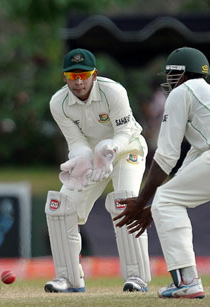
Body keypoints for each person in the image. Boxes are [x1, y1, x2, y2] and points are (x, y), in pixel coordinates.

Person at [44, 48, 150, 293]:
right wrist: (81, 158)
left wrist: (111, 149)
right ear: (64, 78)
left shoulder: (113, 92)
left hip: (127, 149)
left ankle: (137, 277)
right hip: (91, 157)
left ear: (95, 74)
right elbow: (75, 140)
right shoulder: (58, 102)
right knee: (61, 206)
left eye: (84, 75)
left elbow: (124, 132)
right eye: (72, 76)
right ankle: (69, 279)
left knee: (125, 201)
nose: (78, 81)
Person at [113, 47, 210, 299]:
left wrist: (142, 202)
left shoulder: (182, 92)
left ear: (181, 74)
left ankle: (188, 281)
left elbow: (166, 156)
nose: (168, 81)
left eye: (170, 75)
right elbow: (192, 161)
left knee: (166, 200)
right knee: (166, 200)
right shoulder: (204, 95)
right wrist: (156, 206)